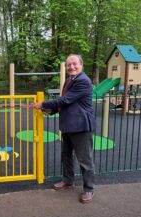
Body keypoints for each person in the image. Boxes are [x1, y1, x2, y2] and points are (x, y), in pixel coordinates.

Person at [34, 54, 96, 204]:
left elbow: (66, 99)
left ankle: (88, 189)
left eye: (74, 64)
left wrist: (44, 104)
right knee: (66, 155)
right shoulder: (69, 80)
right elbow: (67, 103)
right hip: (68, 124)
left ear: (81, 65)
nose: (71, 67)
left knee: (85, 159)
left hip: (81, 126)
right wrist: (53, 111)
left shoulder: (83, 81)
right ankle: (68, 181)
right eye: (68, 65)